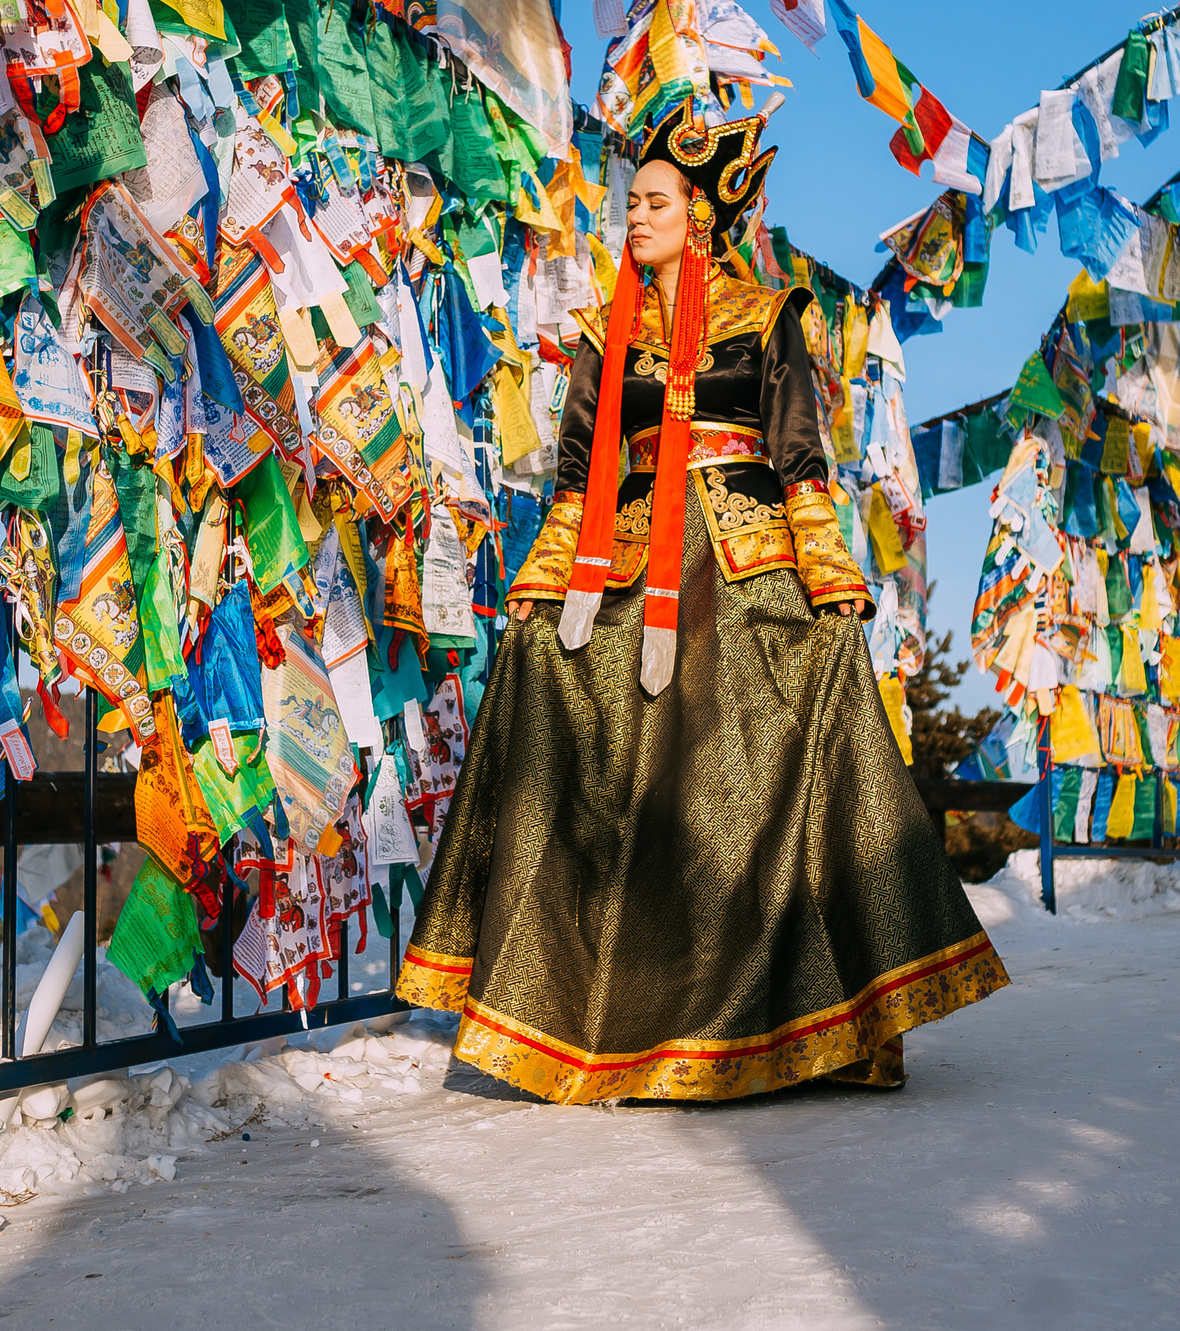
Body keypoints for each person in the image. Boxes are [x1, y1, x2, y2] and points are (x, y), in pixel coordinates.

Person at [394, 97, 1007, 1102]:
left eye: (652, 204)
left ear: (701, 216)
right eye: (628, 204)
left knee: (762, 766)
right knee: (577, 731)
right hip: (626, 567)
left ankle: (815, 1013)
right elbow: (575, 474)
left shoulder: (768, 317)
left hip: (740, 565)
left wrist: (832, 582)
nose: (632, 220)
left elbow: (800, 460)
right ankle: (598, 1011)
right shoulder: (604, 330)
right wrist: (541, 586)